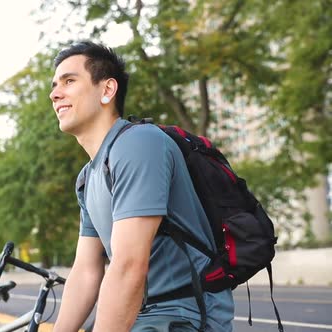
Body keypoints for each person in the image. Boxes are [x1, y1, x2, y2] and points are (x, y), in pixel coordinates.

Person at [49, 41, 234, 332]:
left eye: (69, 81)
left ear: (107, 90)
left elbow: (128, 266)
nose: (55, 93)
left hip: (180, 315)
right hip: (139, 314)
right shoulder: (88, 177)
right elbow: (86, 271)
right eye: (54, 85)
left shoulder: (138, 143)